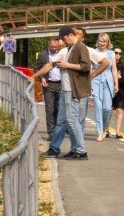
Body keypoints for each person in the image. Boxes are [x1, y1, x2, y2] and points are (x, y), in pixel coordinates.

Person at [47, 25, 92, 160]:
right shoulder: (71, 48)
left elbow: (86, 66)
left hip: (73, 89)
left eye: (65, 39)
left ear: (70, 36)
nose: (64, 42)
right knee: (63, 119)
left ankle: (81, 150)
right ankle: (74, 149)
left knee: (72, 120)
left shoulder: (80, 47)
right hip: (65, 89)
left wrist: (67, 65)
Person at [31, 35, 64, 140]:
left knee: (58, 108)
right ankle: (51, 133)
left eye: (56, 47)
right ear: (49, 45)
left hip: (60, 84)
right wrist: (42, 78)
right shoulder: (43, 55)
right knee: (49, 109)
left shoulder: (62, 54)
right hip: (48, 84)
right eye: (52, 47)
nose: (54, 49)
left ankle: (57, 130)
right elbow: (37, 67)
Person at [89, 34, 116, 141]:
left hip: (108, 80)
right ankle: (100, 132)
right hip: (95, 80)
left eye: (104, 41)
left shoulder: (111, 53)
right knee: (98, 107)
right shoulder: (93, 52)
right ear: (97, 41)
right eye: (100, 41)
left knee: (107, 108)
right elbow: (90, 68)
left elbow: (114, 69)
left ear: (107, 42)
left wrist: (116, 84)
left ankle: (105, 128)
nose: (102, 43)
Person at [107, 48, 124, 138]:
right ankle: (106, 130)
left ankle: (118, 132)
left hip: (120, 91)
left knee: (119, 110)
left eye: (120, 53)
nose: (118, 54)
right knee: (108, 110)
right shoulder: (108, 64)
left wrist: (118, 78)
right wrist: (116, 76)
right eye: (116, 53)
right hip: (109, 90)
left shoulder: (123, 65)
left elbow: (123, 81)